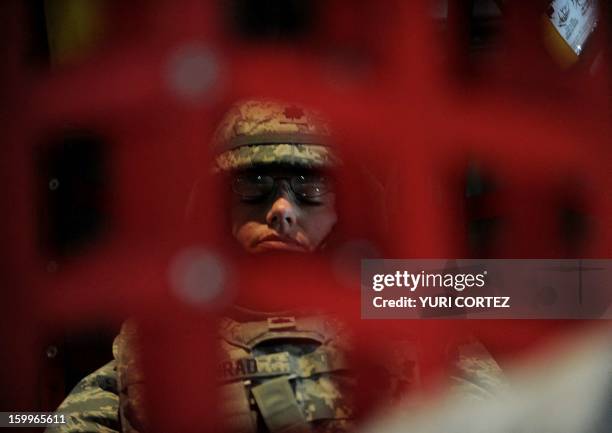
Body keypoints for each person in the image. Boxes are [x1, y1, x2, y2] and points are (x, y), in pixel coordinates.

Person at [47, 100, 503, 433]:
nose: (282, 209)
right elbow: (42, 418)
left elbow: (503, 415)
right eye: (255, 187)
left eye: (309, 188)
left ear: (344, 207)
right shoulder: (164, 334)